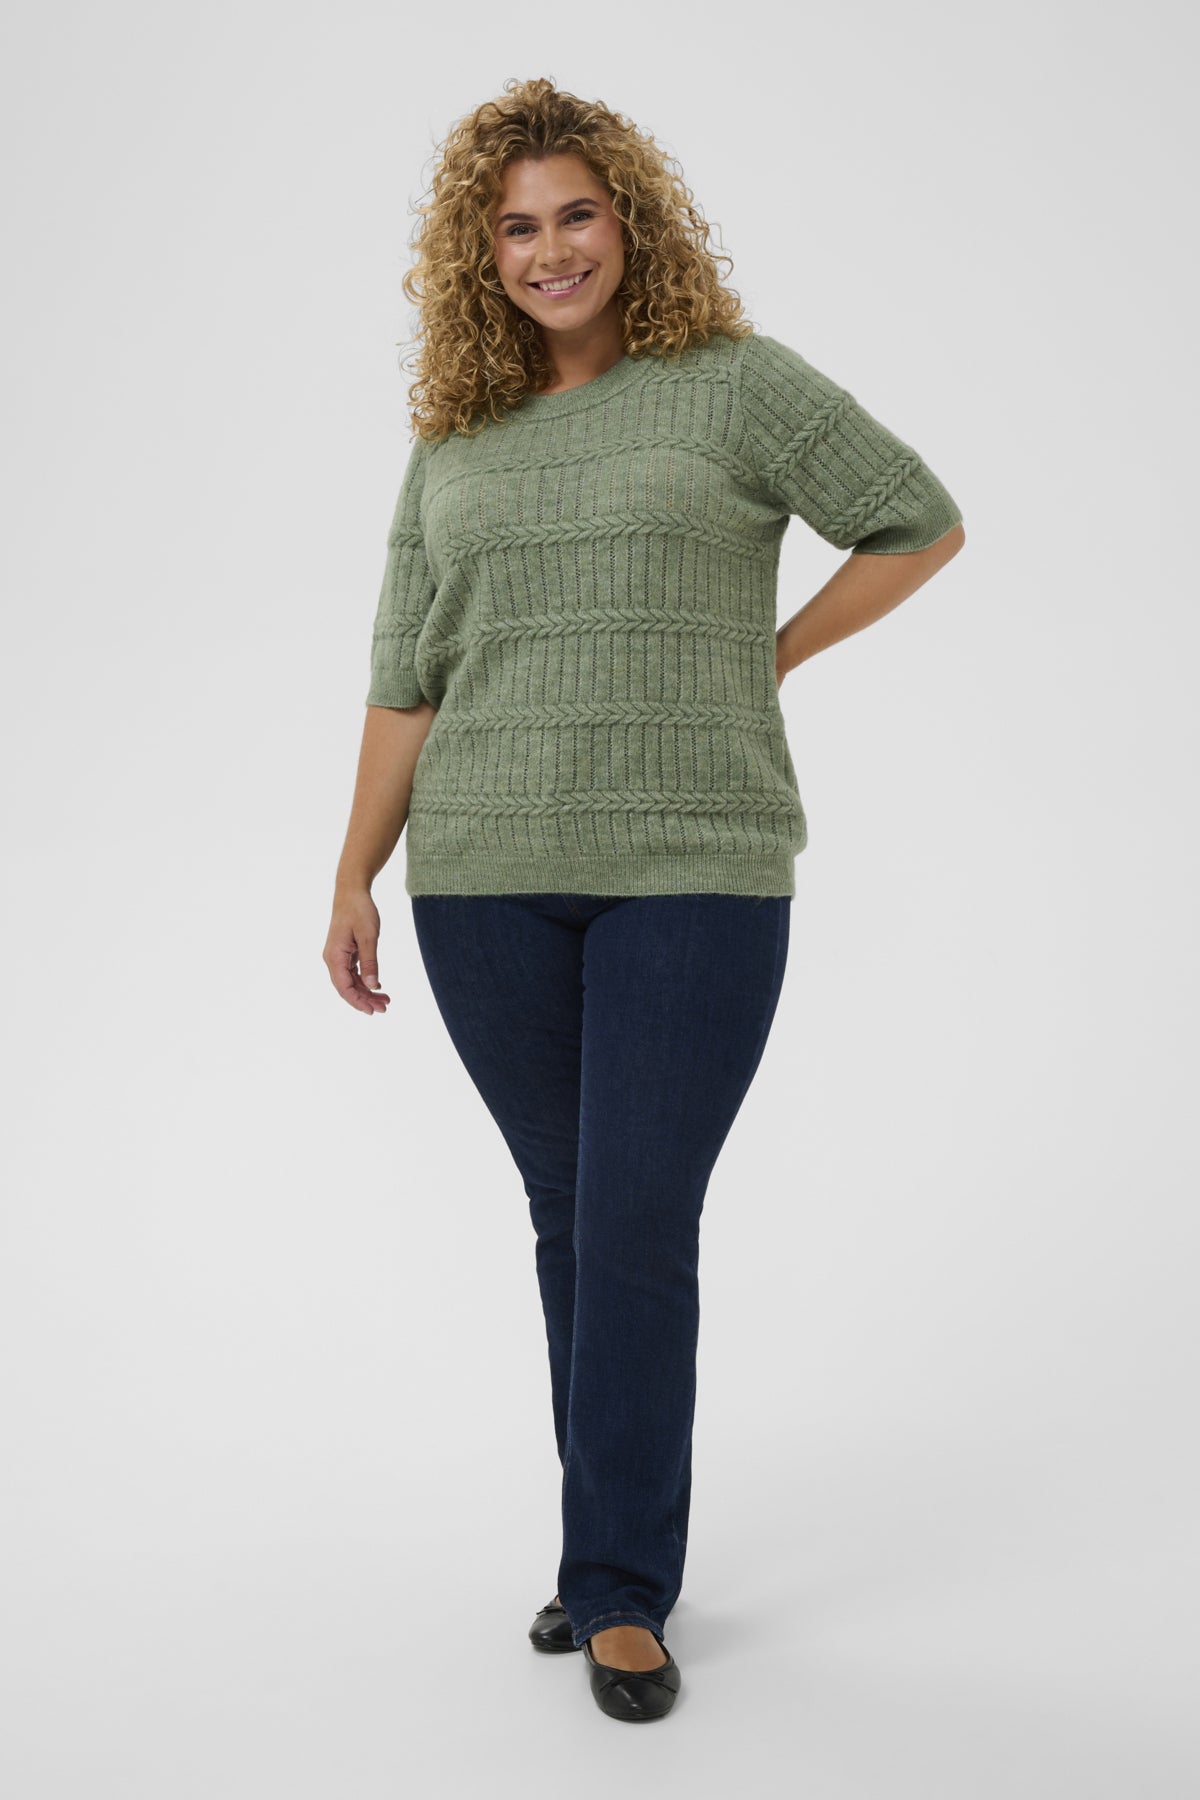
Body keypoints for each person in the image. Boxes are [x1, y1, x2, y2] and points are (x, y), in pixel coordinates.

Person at [323, 76, 965, 1724]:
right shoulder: (455, 441)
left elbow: (917, 520)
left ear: (632, 221)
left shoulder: (734, 386)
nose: (551, 251)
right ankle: (603, 1555)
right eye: (515, 227)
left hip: (696, 867)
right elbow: (404, 676)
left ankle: (617, 1585)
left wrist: (768, 655)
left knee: (631, 1221)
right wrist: (353, 873)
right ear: (481, 256)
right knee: (572, 1219)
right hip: (482, 878)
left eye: (578, 214)